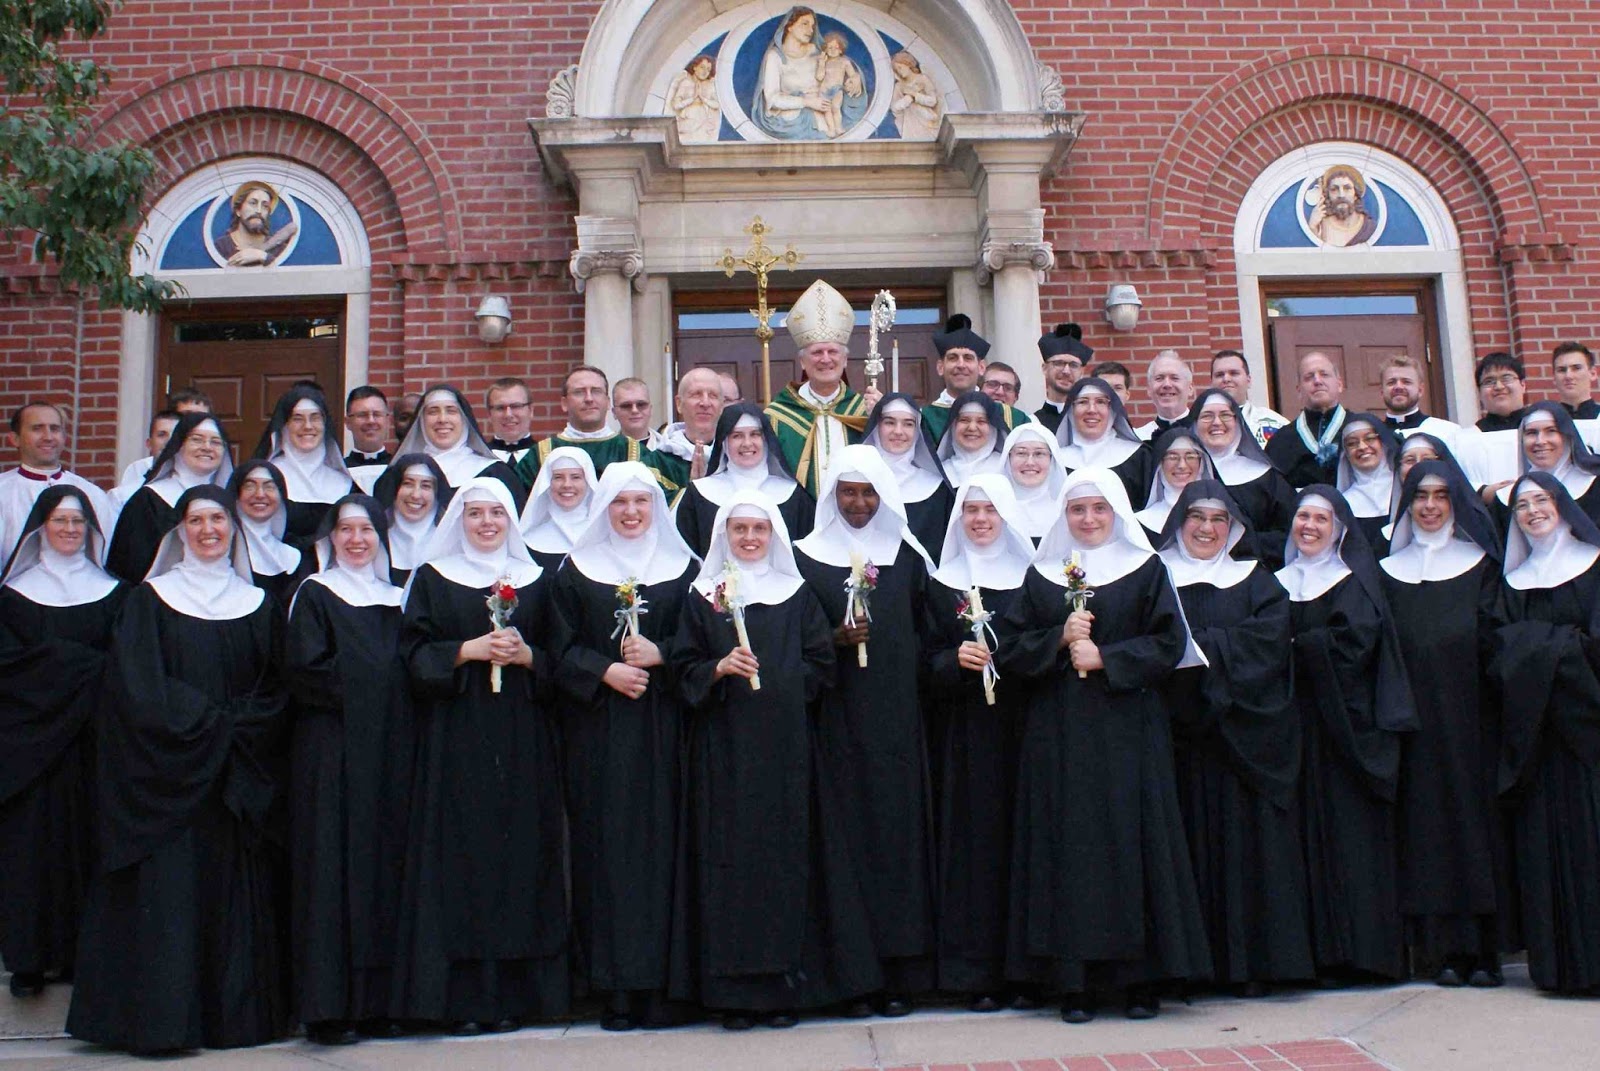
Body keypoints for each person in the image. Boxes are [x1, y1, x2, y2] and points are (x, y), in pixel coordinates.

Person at [67, 485, 289, 1053]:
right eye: (196, 520)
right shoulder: (148, 601)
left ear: (233, 529)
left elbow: (274, 688)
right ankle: (163, 1024)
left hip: (234, 780)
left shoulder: (258, 603)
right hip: (168, 778)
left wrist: (237, 728)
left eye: (219, 519)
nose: (209, 530)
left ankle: (231, 1022)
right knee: (170, 895)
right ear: (179, 531)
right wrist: (209, 725)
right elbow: (138, 688)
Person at [995, 467, 1209, 1022]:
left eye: (1099, 509)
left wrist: (1109, 658)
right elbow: (1012, 650)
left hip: (1129, 730)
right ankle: (1074, 983)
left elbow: (1170, 644)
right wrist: (1059, 639)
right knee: (1069, 851)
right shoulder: (1041, 576)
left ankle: (1139, 981)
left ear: (1116, 512)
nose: (1088, 519)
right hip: (1058, 734)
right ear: (1063, 515)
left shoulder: (1145, 569)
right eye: (1077, 510)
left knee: (1132, 843)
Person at [669, 491, 882, 1026]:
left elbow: (819, 668)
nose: (748, 538)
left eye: (758, 530)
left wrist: (779, 682)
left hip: (787, 755)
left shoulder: (797, 595)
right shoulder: (703, 597)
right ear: (723, 535)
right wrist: (719, 668)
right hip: (723, 754)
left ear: (774, 536)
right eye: (738, 529)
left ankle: (784, 992)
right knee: (728, 869)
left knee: (788, 868)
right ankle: (734, 997)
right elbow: (683, 668)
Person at [393, 477, 569, 1033]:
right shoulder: (435, 578)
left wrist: (528, 657)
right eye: (475, 514)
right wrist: (465, 651)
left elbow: (562, 661)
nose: (487, 523)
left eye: (497, 513)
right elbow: (411, 656)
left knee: (520, 857)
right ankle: (464, 999)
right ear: (459, 520)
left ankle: (519, 996)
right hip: (457, 736)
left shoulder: (537, 581)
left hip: (523, 738)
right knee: (460, 860)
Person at [549, 463, 698, 1031]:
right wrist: (604, 670)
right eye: (619, 503)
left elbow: (704, 640)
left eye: (641, 502)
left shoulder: (684, 569)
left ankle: (666, 986)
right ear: (604, 508)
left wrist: (665, 655)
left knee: (668, 848)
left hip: (668, 728)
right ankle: (615, 988)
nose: (632, 512)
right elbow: (556, 649)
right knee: (607, 853)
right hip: (602, 732)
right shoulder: (576, 572)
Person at [1156, 481, 1314, 993]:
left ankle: (1252, 968)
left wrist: (1198, 651)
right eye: (1196, 517)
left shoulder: (1256, 580)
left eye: (1218, 520)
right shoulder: (1156, 576)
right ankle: (1188, 969)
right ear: (1179, 521)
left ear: (1235, 528)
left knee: (1248, 855)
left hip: (1244, 734)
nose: (1205, 528)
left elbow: (1269, 645)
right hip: (1175, 737)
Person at [793, 444, 934, 1013]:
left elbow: (928, 638)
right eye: (847, 492)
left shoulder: (906, 556)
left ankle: (899, 973)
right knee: (839, 845)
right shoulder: (805, 557)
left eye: (868, 492)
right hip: (831, 725)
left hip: (897, 722)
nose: (857, 503)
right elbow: (792, 636)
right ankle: (849, 976)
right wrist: (832, 639)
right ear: (831, 496)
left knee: (894, 844)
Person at [285, 495, 413, 1044]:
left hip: (389, 755)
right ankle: (329, 1008)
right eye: (346, 530)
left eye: (367, 530)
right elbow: (308, 672)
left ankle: (380, 1002)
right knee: (334, 875)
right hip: (333, 754)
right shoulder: (314, 594)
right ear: (330, 538)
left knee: (384, 872)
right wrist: (380, 688)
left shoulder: (396, 599)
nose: (357, 540)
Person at [1276, 486, 1415, 985]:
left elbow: (1355, 649)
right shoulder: (1277, 583)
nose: (1308, 526)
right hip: (1296, 730)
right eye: (1301, 517)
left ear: (1340, 528)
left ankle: (1365, 956)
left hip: (1348, 732)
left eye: (1320, 518)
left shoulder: (1354, 581)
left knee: (1352, 842)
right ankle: (1317, 956)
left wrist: (1300, 646)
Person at [1379, 462, 1505, 988]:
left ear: (1456, 501)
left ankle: (1484, 951)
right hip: (1414, 727)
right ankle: (1439, 952)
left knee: (1476, 831)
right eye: (1419, 497)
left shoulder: (1481, 565)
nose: (1429, 506)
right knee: (1426, 833)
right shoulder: (1389, 573)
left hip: (1473, 721)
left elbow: (1496, 642)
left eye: (1440, 496)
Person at [0, 487, 124, 999]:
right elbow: (12, 668)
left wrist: (69, 664)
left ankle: (78, 954)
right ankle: (29, 959)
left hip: (93, 743)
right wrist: (83, 667)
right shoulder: (12, 595)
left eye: (79, 521)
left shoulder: (113, 592)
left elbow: (123, 665)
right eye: (60, 520)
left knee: (86, 845)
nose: (70, 529)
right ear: (39, 527)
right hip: (33, 748)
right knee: (30, 851)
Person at [923, 476, 1036, 1010]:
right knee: (973, 848)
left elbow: (1046, 643)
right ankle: (977, 974)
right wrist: (953, 662)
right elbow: (921, 657)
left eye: (991, 509)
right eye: (971, 510)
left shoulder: (1032, 577)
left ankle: (1028, 969)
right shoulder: (942, 580)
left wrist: (1011, 656)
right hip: (965, 735)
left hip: (1023, 730)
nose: (981, 519)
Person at [1487, 472, 1600, 994]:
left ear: (1563, 505)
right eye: (1521, 505)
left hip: (1590, 735)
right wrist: (1561, 646)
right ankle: (1563, 968)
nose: (1531, 511)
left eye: (1541, 501)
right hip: (1537, 742)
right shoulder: (1512, 583)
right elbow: (1498, 652)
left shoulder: (1594, 566)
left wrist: (1542, 650)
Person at [766, 279, 878, 495]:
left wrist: (881, 420)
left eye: (833, 352)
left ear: (845, 360)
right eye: (817, 352)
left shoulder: (864, 410)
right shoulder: (778, 416)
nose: (825, 359)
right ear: (802, 362)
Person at [106, 412, 234, 583]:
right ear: (178, 446)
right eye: (197, 439)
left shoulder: (231, 502)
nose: (207, 447)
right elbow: (127, 567)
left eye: (216, 442)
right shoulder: (149, 500)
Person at [674, 403, 813, 557]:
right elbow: (688, 557)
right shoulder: (699, 495)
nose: (747, 443)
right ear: (724, 443)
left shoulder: (793, 496)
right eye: (737, 435)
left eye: (755, 434)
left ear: (766, 440)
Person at [1188, 390, 1297, 568]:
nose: (1217, 422)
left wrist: (1243, 545)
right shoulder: (1181, 474)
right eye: (1207, 416)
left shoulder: (1266, 477)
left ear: (1238, 423)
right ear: (1194, 424)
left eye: (1225, 415)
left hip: (1258, 574)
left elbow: (1290, 533)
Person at [0, 402, 116, 560]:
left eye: (54, 429)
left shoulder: (91, 493)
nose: (48, 437)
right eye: (37, 428)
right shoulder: (3, 490)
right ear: (15, 439)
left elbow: (106, 555)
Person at [252, 386, 356, 547]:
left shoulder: (344, 483)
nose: (307, 426)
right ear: (285, 426)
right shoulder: (265, 478)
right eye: (297, 418)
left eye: (315, 418)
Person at [392, 385, 525, 507]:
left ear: (464, 420)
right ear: (421, 421)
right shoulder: (399, 473)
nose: (442, 419)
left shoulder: (495, 473)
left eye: (451, 411)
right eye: (433, 411)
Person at [861, 393, 951, 560]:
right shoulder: (856, 482)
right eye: (889, 422)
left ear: (917, 432)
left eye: (908, 424)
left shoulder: (936, 488)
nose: (898, 431)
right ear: (876, 427)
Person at [519, 367, 641, 490]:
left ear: (608, 402)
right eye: (579, 392)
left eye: (596, 391)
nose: (589, 399)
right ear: (564, 403)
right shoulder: (539, 455)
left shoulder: (633, 452)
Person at [920, 315, 1031, 444]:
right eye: (952, 358)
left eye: (968, 358)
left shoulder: (1012, 417)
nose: (961, 365)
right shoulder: (924, 418)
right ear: (940, 367)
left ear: (981, 367)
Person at [1492, 402, 1600, 528]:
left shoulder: (1595, 487)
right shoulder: (1507, 499)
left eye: (1551, 431)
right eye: (1532, 433)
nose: (1540, 441)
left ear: (1567, 436)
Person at [1054, 377, 1152, 509]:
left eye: (1100, 402)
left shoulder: (1139, 457)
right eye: (1083, 402)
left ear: (1112, 410)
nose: (1092, 410)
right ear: (1071, 411)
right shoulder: (1056, 460)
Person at [229, 459, 311, 613]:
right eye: (249, 486)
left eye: (269, 486)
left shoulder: (294, 557)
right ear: (237, 495)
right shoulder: (224, 554)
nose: (260, 494)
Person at [1266, 351, 1348, 489]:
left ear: (1339, 384)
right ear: (1299, 390)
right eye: (1309, 377)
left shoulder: (1360, 430)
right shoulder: (1281, 441)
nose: (1317, 381)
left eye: (1324, 374)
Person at [373, 454, 448, 587]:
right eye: (408, 484)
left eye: (426, 486)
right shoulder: (374, 542)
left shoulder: (448, 546)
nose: (415, 495)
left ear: (436, 494)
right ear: (395, 489)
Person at [519, 446, 597, 572]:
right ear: (547, 483)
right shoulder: (528, 543)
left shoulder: (601, 535)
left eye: (575, 477)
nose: (567, 485)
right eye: (558, 477)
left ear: (588, 482)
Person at [645, 368, 725, 491]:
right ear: (679, 404)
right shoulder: (656, 464)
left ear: (721, 406)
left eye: (713, 395)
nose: (705, 403)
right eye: (696, 394)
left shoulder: (731, 458)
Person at [1134, 426, 1216, 542]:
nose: (1182, 465)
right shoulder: (1141, 523)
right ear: (1160, 466)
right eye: (1172, 457)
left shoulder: (1222, 514)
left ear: (1201, 464)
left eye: (1190, 456)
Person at [1334, 413, 1401, 548]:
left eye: (1369, 438)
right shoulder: (1343, 503)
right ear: (1346, 454)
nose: (1362, 447)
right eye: (1352, 443)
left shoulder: (1405, 488)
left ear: (1383, 443)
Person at [1001, 423, 1066, 544]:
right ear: (1008, 458)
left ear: (1052, 460)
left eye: (1039, 454)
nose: (1030, 462)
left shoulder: (1065, 512)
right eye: (1021, 453)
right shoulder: (994, 512)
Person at [1210, 349, 1288, 448]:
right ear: (1211, 383)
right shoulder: (1199, 427)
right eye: (1219, 375)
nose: (1226, 379)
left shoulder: (1275, 423)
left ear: (1248, 380)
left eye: (1234, 373)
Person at [1378, 355, 1461, 441]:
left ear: (1420, 390)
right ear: (1381, 391)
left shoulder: (1449, 432)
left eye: (1406, 382)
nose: (1398, 387)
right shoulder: (1373, 435)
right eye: (1391, 382)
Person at [934, 391, 1008, 485]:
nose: (972, 428)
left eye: (981, 421)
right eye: (964, 420)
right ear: (953, 427)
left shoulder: (1007, 469)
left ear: (993, 429)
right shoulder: (940, 473)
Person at [111, 409, 181, 508]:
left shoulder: (195, 488)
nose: (169, 441)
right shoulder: (123, 497)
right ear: (149, 443)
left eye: (175, 435)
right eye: (162, 434)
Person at [1034, 323, 1093, 434]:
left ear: (1082, 372)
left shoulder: (1092, 421)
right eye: (1058, 363)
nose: (1066, 371)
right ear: (1044, 368)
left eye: (1073, 365)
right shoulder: (1032, 424)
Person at [1135, 351, 1196, 440]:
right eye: (1159, 378)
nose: (1167, 384)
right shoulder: (1139, 438)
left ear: (1190, 388)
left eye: (1174, 378)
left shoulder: (1204, 433)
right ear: (1149, 389)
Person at [344, 387, 393, 494]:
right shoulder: (339, 472)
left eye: (377, 414)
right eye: (362, 415)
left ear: (387, 420)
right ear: (348, 422)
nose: (371, 421)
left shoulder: (399, 468)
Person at [484, 377, 537, 470]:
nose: (508, 414)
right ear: (489, 414)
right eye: (500, 408)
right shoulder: (478, 459)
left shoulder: (546, 457)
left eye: (516, 406)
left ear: (531, 410)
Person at [1474, 351, 1529, 434]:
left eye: (1506, 378)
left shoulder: (1538, 424)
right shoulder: (1473, 435)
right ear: (1479, 393)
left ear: (1523, 385)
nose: (1499, 387)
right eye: (1489, 381)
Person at [1552, 342, 1599, 420]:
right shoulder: (1543, 421)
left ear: (1593, 373)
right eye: (1561, 370)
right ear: (1554, 378)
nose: (1568, 376)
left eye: (1576, 368)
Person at [612, 377, 661, 448]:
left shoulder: (669, 450)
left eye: (641, 404)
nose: (634, 410)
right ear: (614, 413)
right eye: (626, 405)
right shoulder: (605, 452)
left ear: (650, 409)